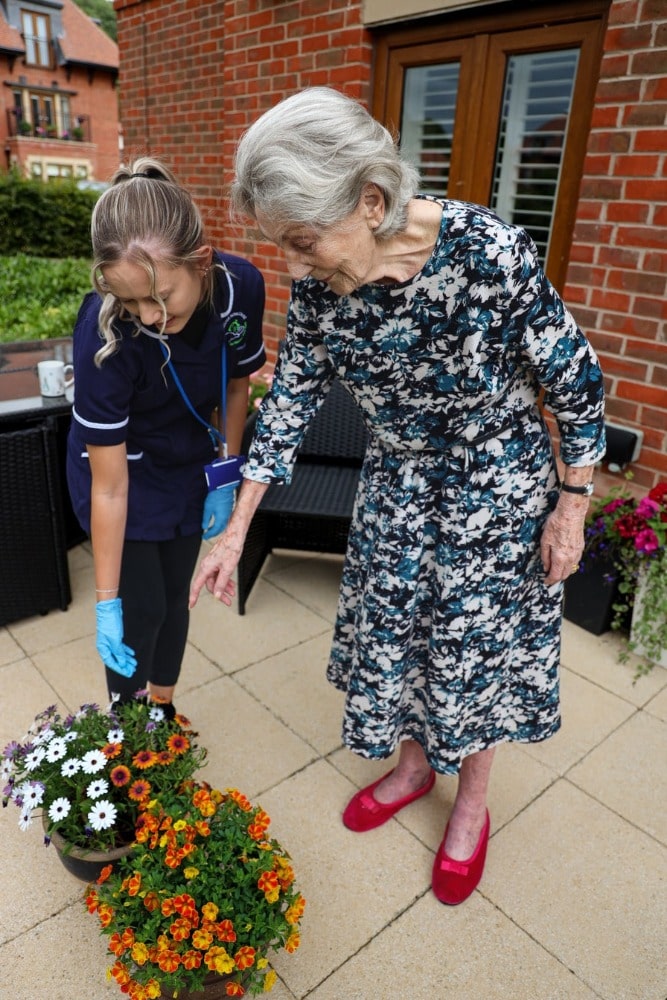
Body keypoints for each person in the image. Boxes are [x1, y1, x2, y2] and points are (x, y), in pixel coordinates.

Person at [188, 88, 605, 904]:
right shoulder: (322, 288)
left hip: (496, 486)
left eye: (302, 243)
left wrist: (572, 505)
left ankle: (472, 805)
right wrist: (236, 528)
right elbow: (293, 401)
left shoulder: (489, 251)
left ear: (370, 201)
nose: (297, 268)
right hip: (398, 483)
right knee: (399, 632)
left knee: (474, 648)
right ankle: (413, 768)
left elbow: (577, 383)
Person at [67, 157, 265, 714]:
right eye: (130, 300)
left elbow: (234, 384)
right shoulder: (103, 331)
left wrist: (226, 475)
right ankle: (128, 731)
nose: (147, 316)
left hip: (189, 462)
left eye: (160, 297)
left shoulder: (240, 287)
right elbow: (110, 488)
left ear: (201, 260)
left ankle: (162, 711)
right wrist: (105, 603)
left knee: (176, 598)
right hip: (120, 470)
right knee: (139, 608)